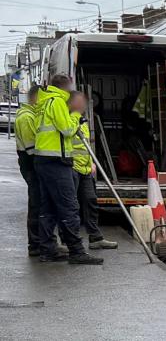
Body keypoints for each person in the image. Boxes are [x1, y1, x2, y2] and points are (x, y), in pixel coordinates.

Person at [34, 75, 103, 265]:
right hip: (57, 161)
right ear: (65, 87)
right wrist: (75, 116)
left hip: (44, 160)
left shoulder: (44, 101)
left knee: (48, 208)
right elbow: (66, 129)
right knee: (69, 207)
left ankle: (47, 250)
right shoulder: (57, 102)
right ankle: (76, 251)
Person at [68, 91, 117, 250]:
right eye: (79, 103)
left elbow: (85, 146)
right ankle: (71, 241)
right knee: (72, 206)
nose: (83, 106)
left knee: (90, 201)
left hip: (85, 168)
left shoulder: (83, 121)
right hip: (72, 167)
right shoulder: (68, 119)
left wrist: (91, 163)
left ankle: (95, 238)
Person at [16, 86, 42, 256]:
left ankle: (37, 242)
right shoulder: (26, 117)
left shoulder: (29, 114)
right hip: (31, 163)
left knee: (37, 203)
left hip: (30, 163)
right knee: (36, 204)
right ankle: (35, 244)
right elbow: (30, 146)